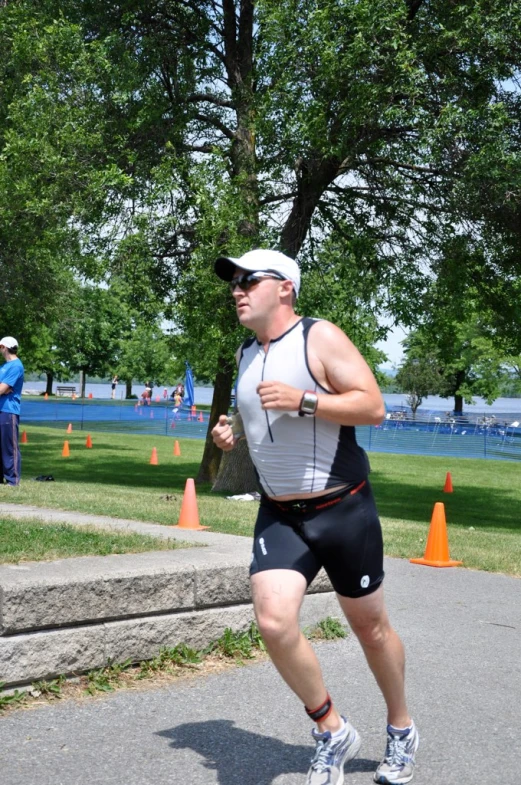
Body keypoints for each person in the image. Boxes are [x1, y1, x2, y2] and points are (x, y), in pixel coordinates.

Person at [211, 249, 419, 785]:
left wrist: (304, 400)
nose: (237, 289)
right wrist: (232, 435)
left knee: (370, 629)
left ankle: (401, 728)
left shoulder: (318, 337)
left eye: (247, 280)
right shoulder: (245, 353)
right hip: (281, 515)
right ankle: (330, 728)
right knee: (274, 621)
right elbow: (260, 416)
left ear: (284, 287)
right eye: (233, 282)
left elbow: (373, 406)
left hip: (343, 509)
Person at [0, 336, 25, 486]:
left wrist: (3, 388)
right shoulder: (4, 366)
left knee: (9, 447)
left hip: (8, 411)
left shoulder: (16, 366)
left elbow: (3, 388)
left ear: (4, 347)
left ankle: (12, 479)